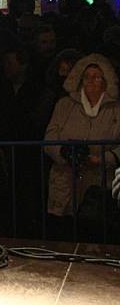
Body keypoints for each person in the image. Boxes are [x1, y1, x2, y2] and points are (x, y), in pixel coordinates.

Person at [44, 54, 120, 229]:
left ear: (106, 80)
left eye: (96, 76)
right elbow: (49, 138)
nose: (90, 81)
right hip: (65, 181)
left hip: (99, 184)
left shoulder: (116, 109)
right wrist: (64, 153)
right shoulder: (64, 105)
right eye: (86, 76)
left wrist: (102, 158)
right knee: (63, 234)